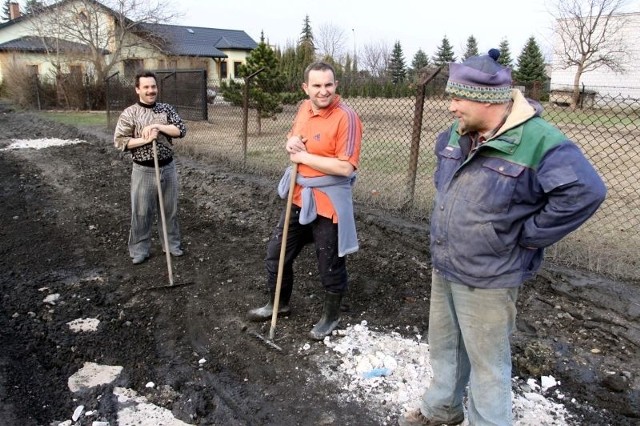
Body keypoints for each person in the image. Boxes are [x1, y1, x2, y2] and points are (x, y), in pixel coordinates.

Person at [399, 50, 607, 426]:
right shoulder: (454, 134)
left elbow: (585, 192)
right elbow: (447, 183)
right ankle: (441, 409)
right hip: (447, 261)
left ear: (487, 99)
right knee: (445, 346)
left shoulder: (539, 140)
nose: (451, 107)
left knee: (487, 362)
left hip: (492, 273)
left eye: (457, 97)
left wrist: (526, 235)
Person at [247, 61, 363, 340]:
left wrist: (304, 158)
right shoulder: (303, 109)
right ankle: (278, 303)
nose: (323, 91)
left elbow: (346, 167)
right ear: (306, 87)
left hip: (329, 201)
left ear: (336, 86)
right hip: (299, 196)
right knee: (277, 253)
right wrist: (290, 143)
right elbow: (295, 137)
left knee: (329, 263)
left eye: (328, 85)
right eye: (317, 86)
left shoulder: (346, 117)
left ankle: (330, 316)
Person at [114, 70, 187, 265]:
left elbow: (180, 130)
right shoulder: (130, 113)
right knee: (142, 211)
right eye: (146, 87)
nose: (150, 90)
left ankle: (171, 245)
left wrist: (158, 127)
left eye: (153, 86)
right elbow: (120, 142)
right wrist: (145, 140)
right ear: (138, 89)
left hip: (167, 167)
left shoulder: (166, 109)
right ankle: (139, 249)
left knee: (169, 209)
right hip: (143, 169)